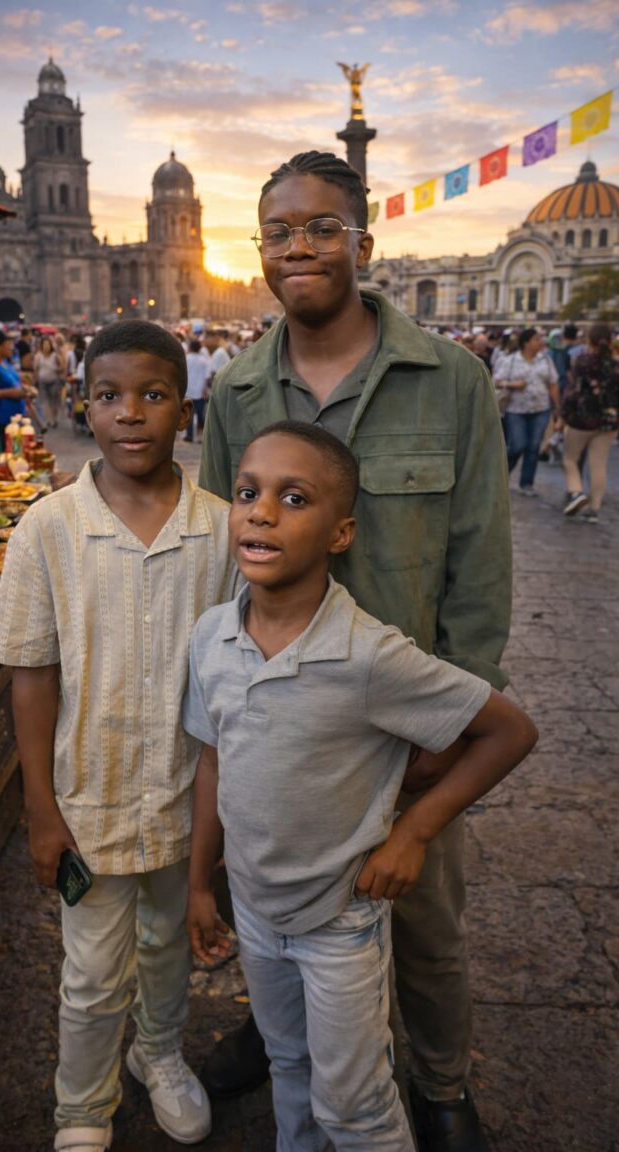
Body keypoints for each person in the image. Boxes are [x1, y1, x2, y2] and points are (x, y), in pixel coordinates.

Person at [198, 151, 512, 1152]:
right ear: (260, 253)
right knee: (275, 879)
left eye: (322, 228)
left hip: (405, 709)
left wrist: (454, 737)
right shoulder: (241, 389)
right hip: (287, 719)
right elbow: (223, 554)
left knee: (422, 917)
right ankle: (275, 1025)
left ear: (362, 243)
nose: (300, 246)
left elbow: (479, 563)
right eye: (280, 231)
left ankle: (443, 1080)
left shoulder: (450, 380)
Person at [186, 422, 537, 1152]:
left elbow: (508, 733)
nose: (260, 511)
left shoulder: (369, 656)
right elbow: (214, 760)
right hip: (255, 908)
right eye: (248, 493)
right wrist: (198, 884)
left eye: (294, 497)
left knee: (355, 1106)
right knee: (289, 1066)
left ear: (340, 534)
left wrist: (412, 832)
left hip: (339, 921)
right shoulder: (211, 636)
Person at [0, 320, 237, 1152]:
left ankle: (158, 1056)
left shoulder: (224, 531)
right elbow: (30, 672)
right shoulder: (47, 529)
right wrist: (41, 807)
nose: (131, 415)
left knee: (169, 947)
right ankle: (82, 1105)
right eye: (108, 396)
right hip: (86, 796)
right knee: (93, 972)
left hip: (183, 793)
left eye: (153, 396)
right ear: (82, 405)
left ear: (183, 404)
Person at [561, 322, 619, 524]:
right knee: (599, 464)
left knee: (569, 459)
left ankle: (577, 493)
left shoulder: (583, 361)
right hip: (609, 420)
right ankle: (594, 509)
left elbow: (573, 391)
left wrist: (564, 413)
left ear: (589, 340)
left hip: (582, 418)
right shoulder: (615, 364)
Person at [493, 327, 560, 496]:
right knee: (517, 445)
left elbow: (553, 382)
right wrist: (512, 384)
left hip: (540, 409)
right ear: (526, 343)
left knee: (533, 447)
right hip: (516, 409)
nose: (540, 342)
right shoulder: (511, 360)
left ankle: (526, 483)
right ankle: (500, 478)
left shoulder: (545, 359)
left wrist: (558, 406)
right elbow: (496, 381)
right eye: (536, 339)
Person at [34, 335, 65, 428]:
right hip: (42, 381)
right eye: (44, 345)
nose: (46, 346)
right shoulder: (38, 356)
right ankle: (49, 419)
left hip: (54, 381)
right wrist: (35, 380)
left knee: (54, 401)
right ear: (41, 346)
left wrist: (57, 369)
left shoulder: (55, 355)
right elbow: (36, 368)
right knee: (45, 401)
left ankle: (54, 419)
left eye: (47, 344)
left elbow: (62, 367)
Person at [184, 338, 209, 442]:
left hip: (188, 391)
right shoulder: (204, 360)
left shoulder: (185, 358)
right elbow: (206, 376)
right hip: (200, 392)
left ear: (190, 347)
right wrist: (205, 389)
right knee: (200, 416)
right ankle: (201, 436)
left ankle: (189, 435)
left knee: (188, 415)